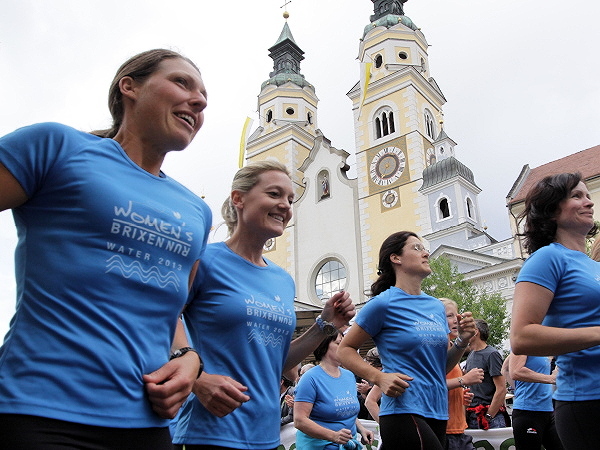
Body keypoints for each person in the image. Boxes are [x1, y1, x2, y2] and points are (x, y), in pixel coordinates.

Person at [0, 49, 210, 448]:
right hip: (39, 413)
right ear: (129, 86)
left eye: (203, 96)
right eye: (182, 83)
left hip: (147, 424)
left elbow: (169, 310)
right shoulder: (56, 146)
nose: (198, 101)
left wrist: (188, 357)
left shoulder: (196, 211)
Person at [172, 160, 355, 450]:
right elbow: (158, 322)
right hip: (210, 431)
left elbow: (276, 362)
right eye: (274, 194)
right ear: (238, 198)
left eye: (290, 199)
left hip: (266, 433)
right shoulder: (204, 260)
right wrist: (197, 379)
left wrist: (325, 326)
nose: (285, 205)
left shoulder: (283, 280)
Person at [338, 231, 476, 450]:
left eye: (425, 249)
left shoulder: (435, 307)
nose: (426, 253)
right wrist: (378, 377)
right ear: (396, 258)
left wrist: (462, 341)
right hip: (402, 410)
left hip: (438, 411)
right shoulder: (383, 304)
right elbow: (344, 349)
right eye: (417, 248)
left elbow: (440, 367)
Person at [510, 172, 600, 449]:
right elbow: (521, 337)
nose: (589, 202)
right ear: (551, 210)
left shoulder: (592, 266)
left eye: (588, 195)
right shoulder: (547, 258)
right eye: (577, 196)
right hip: (587, 401)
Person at [294, 333, 375, 449]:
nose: (344, 347)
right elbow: (299, 421)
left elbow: (346, 410)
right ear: (324, 345)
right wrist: (333, 436)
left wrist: (362, 429)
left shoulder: (349, 376)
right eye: (338, 343)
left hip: (348, 445)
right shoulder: (309, 378)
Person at [505, 353, 564, 450]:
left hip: (548, 410)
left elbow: (505, 369)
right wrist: (550, 379)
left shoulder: (542, 348)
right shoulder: (523, 344)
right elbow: (514, 371)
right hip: (527, 411)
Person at [464, 319, 508, 430]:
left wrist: (489, 416)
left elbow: (501, 388)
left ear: (476, 332)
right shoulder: (471, 355)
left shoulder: (492, 354)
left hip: (492, 418)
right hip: (472, 416)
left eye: (466, 331)